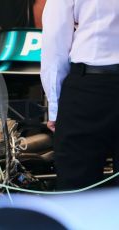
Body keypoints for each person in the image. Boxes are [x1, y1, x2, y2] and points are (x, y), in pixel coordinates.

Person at [41, 0, 119, 190]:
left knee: (76, 190)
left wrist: (54, 106)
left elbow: (56, 38)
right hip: (90, 85)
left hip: (89, 89)